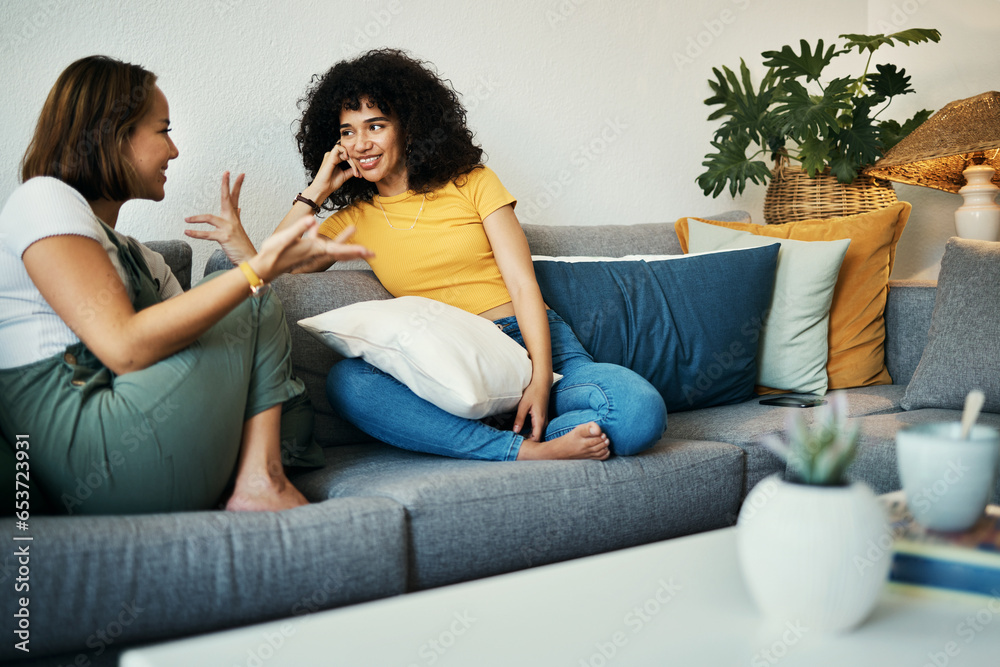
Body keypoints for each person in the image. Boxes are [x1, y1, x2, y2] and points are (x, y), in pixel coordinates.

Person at [212, 49, 667, 462]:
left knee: (637, 412)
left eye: (376, 126)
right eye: (347, 132)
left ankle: (528, 428)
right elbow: (271, 264)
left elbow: (524, 284)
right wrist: (316, 191)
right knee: (349, 384)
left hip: (535, 347)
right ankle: (520, 450)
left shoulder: (472, 182)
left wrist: (539, 382)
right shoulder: (356, 217)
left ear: (408, 128)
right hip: (450, 365)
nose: (361, 143)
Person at [0, 55, 371, 515]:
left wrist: (253, 266)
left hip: (142, 435)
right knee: (247, 294)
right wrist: (254, 272)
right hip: (87, 448)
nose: (174, 151)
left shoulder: (143, 259)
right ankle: (260, 480)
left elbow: (235, 347)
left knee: (253, 301)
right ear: (111, 134)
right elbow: (123, 347)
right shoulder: (44, 199)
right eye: (163, 130)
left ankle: (257, 477)